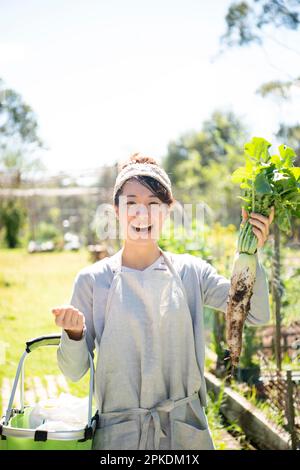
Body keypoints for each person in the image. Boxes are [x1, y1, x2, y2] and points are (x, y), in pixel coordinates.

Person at [52, 153, 274, 450]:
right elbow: (73, 371)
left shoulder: (191, 272)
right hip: (120, 438)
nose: (141, 214)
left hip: (184, 435)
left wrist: (251, 257)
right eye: (130, 203)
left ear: (168, 211)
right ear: (116, 211)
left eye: (153, 204)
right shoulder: (93, 280)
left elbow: (256, 315)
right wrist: (74, 334)